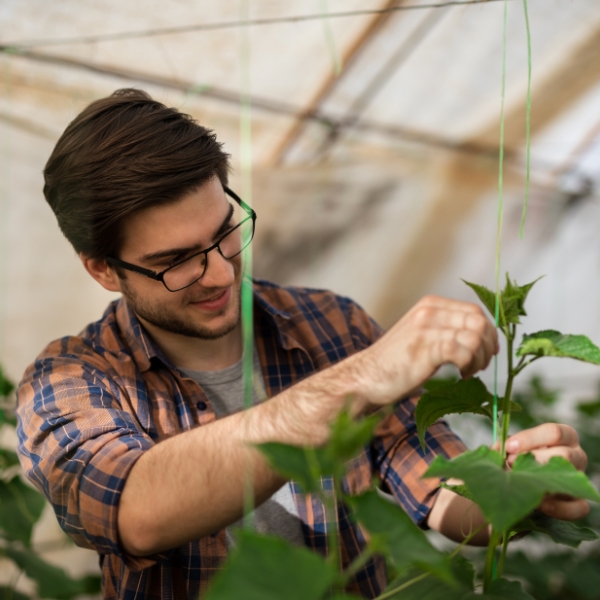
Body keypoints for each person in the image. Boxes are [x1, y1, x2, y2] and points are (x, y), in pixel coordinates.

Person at [16, 89, 588, 600]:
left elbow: (443, 493)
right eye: (176, 262)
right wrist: (355, 382)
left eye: (224, 234)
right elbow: (135, 509)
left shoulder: (329, 324)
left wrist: (517, 489)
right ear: (104, 271)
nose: (218, 274)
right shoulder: (69, 380)